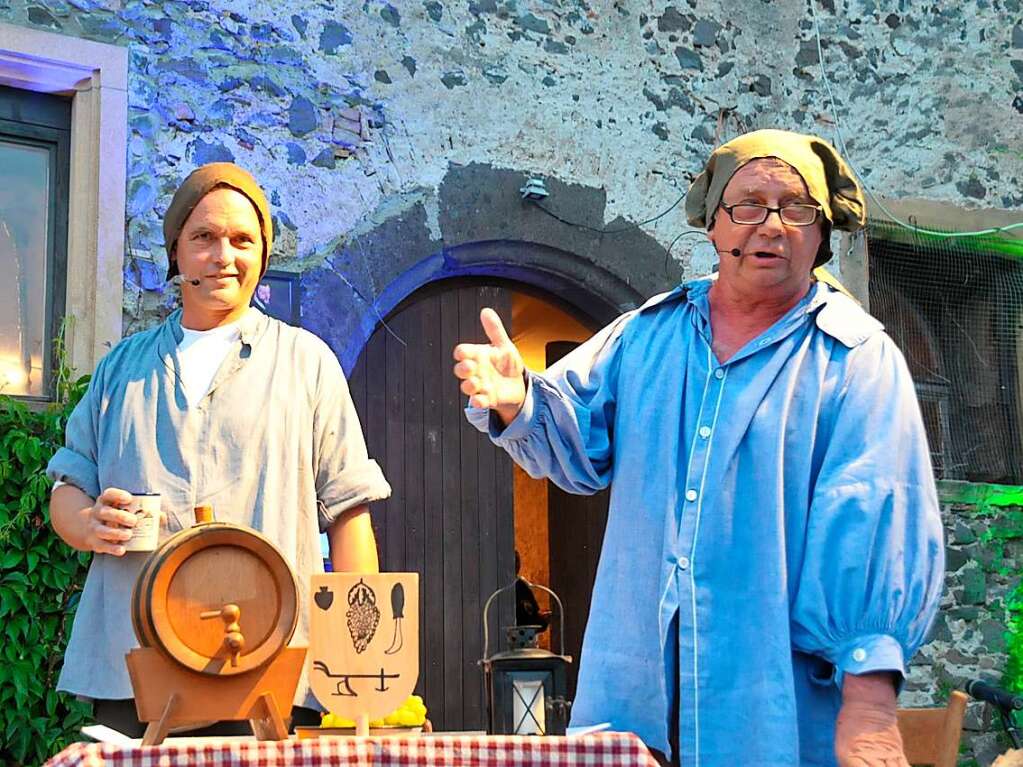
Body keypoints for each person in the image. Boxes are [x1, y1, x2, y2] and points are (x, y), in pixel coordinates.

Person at [452, 129, 944, 766]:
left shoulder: (853, 359)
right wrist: (519, 401)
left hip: (772, 717)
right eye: (747, 205)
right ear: (714, 226)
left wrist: (870, 710)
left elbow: (874, 522)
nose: (770, 225)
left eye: (795, 207)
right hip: (634, 712)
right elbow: (574, 448)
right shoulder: (646, 335)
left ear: (822, 233)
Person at [46, 163, 390, 735]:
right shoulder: (119, 371)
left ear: (262, 255)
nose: (223, 255)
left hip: (274, 670)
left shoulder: (308, 365)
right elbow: (68, 488)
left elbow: (349, 514)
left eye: (242, 240)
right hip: (135, 669)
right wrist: (87, 524)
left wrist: (364, 665)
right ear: (176, 250)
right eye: (204, 237)